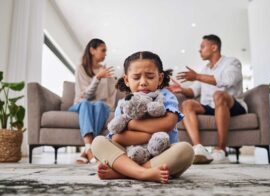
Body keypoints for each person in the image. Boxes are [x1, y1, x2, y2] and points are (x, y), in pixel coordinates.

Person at [91, 51, 194, 183]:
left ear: (160, 78)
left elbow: (169, 123)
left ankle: (125, 172)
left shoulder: (166, 96)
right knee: (98, 142)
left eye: (150, 76)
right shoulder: (125, 103)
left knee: (186, 150)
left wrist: (132, 125)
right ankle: (143, 173)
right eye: (136, 78)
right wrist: (152, 130)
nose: (143, 82)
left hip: (161, 154)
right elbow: (117, 138)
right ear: (127, 80)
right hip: (130, 154)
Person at [168, 34, 247, 164]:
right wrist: (181, 89)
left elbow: (229, 80)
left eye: (202, 47)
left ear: (214, 47)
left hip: (233, 105)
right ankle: (199, 148)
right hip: (211, 106)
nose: (200, 50)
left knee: (219, 95)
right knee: (187, 104)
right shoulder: (205, 69)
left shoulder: (232, 62)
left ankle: (220, 149)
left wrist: (197, 76)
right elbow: (193, 91)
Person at [68, 38, 116, 164]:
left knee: (100, 104)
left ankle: (87, 150)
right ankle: (91, 149)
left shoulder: (105, 71)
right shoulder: (81, 69)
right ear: (92, 50)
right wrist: (97, 78)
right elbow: (86, 96)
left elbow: (109, 95)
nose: (106, 54)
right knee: (85, 103)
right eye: (103, 50)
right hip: (81, 104)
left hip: (98, 105)